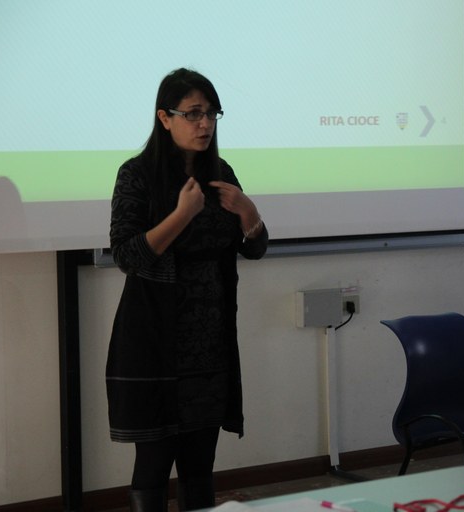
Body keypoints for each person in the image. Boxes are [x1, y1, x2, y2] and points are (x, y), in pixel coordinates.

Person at [106, 68, 268, 512]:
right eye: (193, 113)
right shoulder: (137, 174)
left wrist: (249, 213)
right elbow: (127, 256)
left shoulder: (221, 173)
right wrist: (182, 214)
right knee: (154, 463)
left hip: (209, 344)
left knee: (200, 466)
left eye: (212, 113)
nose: (205, 124)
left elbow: (253, 248)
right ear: (164, 117)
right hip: (154, 342)